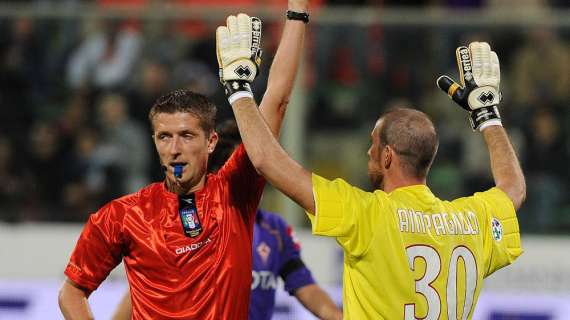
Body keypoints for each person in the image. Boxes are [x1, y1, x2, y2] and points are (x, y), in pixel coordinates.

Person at [220, 38, 525, 318]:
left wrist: (239, 92)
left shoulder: (366, 216)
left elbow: (265, 160)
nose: (368, 152)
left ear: (388, 156)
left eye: (373, 144)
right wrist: (488, 115)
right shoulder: (470, 220)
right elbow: (513, 189)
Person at [58, 1, 310, 318]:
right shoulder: (122, 216)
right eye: (165, 137)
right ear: (154, 141)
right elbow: (72, 292)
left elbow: (276, 101)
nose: (174, 148)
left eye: (187, 136)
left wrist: (298, 11)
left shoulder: (235, 193)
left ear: (211, 142)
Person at [111, 120, 342, 320]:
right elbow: (143, 292)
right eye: (246, 173)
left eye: (257, 173)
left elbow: (304, 286)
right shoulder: (184, 226)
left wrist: (337, 316)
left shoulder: (274, 229)